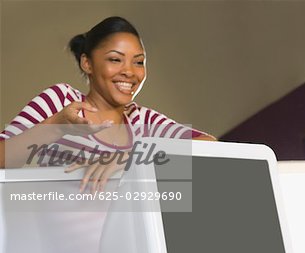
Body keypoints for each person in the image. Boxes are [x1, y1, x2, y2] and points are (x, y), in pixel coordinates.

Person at [0, 16, 215, 191]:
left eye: (138, 62)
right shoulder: (62, 101)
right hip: (61, 241)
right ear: (87, 63)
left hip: (129, 242)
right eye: (115, 59)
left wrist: (131, 156)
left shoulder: (142, 120)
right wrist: (57, 125)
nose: (130, 72)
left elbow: (210, 146)